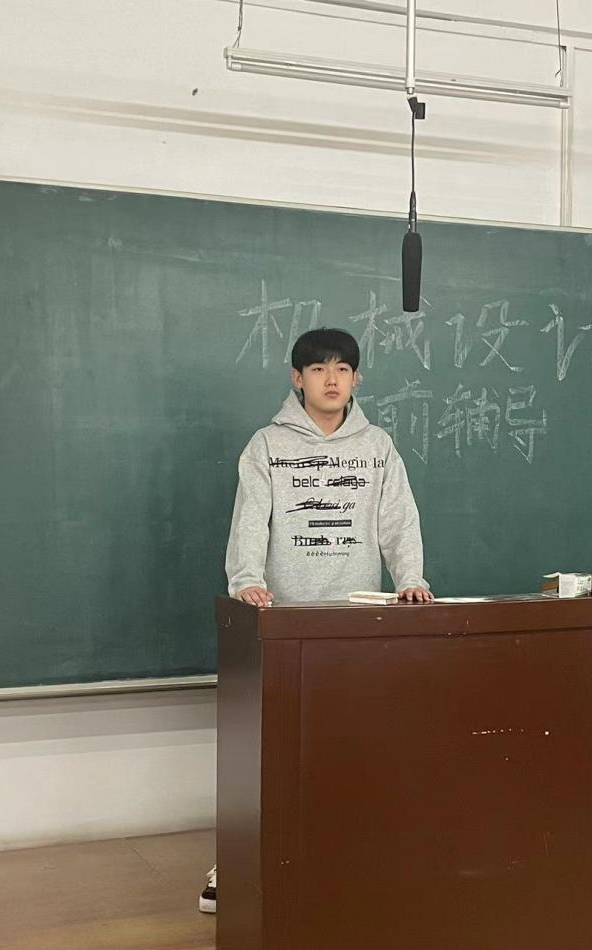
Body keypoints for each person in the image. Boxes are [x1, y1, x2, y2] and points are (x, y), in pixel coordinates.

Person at [200, 326, 433, 913]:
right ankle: (239, 862)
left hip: (356, 625)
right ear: (297, 379)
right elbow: (250, 521)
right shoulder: (267, 445)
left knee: (353, 745)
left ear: (357, 379)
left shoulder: (377, 446)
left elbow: (399, 521)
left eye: (343, 369)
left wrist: (410, 579)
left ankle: (343, 858)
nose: (332, 379)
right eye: (319, 369)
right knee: (268, 751)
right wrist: (245, 581)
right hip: (283, 623)